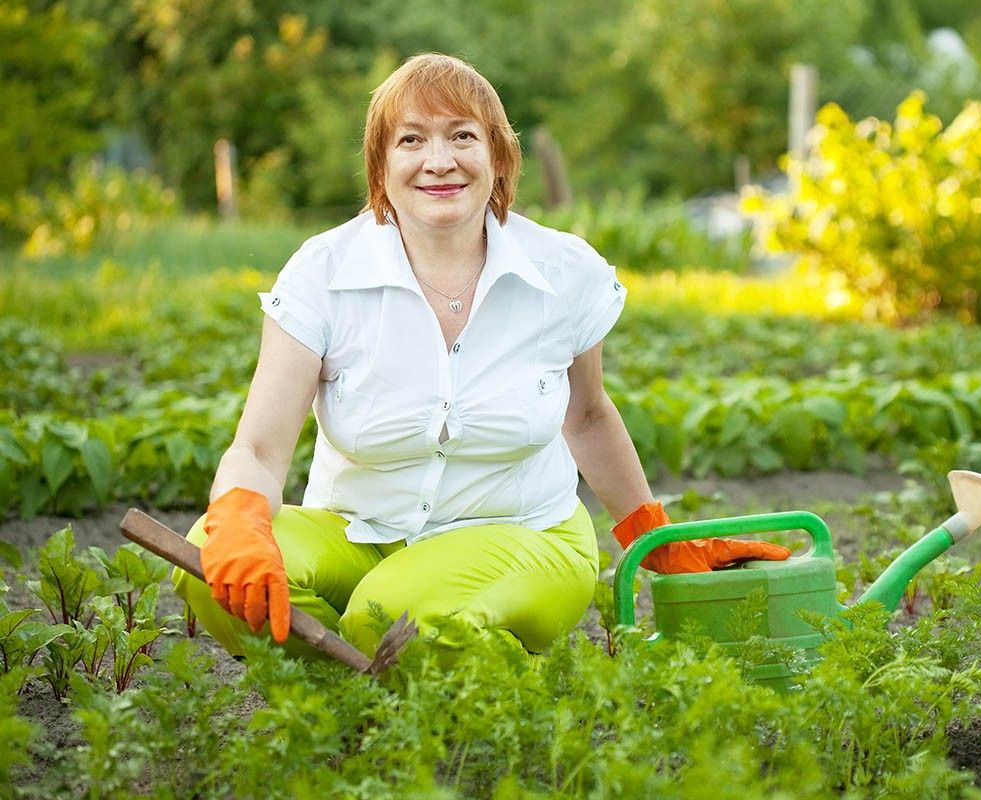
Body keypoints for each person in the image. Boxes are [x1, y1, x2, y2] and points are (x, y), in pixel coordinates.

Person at [172, 53, 791, 661]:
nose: (438, 161)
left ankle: (396, 672)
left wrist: (653, 537)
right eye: (411, 139)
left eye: (462, 136)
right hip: (360, 534)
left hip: (523, 536)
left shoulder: (562, 271)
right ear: (380, 164)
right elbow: (257, 447)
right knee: (211, 560)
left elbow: (588, 416)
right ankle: (365, 686)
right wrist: (242, 511)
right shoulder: (323, 271)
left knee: (388, 613)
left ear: (497, 156)